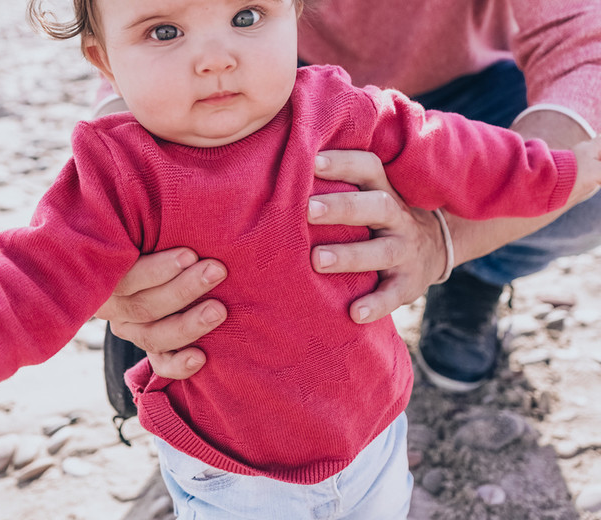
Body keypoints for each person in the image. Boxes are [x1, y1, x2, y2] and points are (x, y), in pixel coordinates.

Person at [0, 0, 601, 517]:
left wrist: (539, 181)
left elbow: (468, 154)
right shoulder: (118, 174)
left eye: (244, 15)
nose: (215, 58)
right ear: (104, 61)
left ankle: (467, 291)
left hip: (371, 424)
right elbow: (27, 274)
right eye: (164, 32)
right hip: (232, 463)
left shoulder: (342, 111)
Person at [96, 0, 601, 392]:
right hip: (271, 83)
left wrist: (446, 242)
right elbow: (137, 30)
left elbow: (583, 48)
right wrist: (115, 219)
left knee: (588, 183)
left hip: (471, 91)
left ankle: (475, 273)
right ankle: (223, 307)